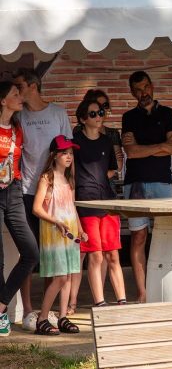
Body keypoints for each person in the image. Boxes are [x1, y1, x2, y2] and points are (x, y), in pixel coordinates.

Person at [12, 68, 70, 330]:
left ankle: (48, 310)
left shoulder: (58, 113)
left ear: (33, 86)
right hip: (26, 190)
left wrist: (68, 188)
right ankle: (27, 310)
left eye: (20, 86)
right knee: (30, 252)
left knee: (51, 253)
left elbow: (68, 151)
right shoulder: (19, 116)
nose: (17, 91)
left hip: (54, 192)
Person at [122, 71, 172, 303]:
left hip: (162, 181)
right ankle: (143, 292)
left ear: (152, 86)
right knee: (138, 237)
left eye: (145, 87)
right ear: (131, 92)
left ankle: (166, 286)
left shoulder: (167, 113)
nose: (142, 93)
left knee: (166, 234)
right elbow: (131, 153)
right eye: (137, 90)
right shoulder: (128, 117)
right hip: (135, 183)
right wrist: (160, 146)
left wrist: (146, 148)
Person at [72, 99, 126, 309]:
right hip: (86, 203)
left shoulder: (106, 142)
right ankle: (100, 302)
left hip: (107, 201)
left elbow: (112, 169)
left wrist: (99, 180)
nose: (98, 116)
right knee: (94, 254)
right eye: (93, 114)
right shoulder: (75, 142)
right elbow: (70, 174)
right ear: (83, 119)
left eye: (101, 112)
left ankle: (122, 300)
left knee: (113, 253)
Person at [30, 135, 84, 335]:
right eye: (64, 153)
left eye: (71, 153)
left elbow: (72, 207)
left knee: (69, 275)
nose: (69, 157)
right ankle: (42, 319)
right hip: (54, 233)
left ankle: (63, 317)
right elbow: (37, 208)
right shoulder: (47, 177)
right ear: (54, 155)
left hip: (69, 234)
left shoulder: (69, 179)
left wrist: (80, 228)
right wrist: (56, 221)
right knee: (60, 277)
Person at [0, 81, 39, 337]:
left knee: (31, 253)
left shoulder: (17, 129)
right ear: (3, 100)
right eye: (15, 94)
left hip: (13, 191)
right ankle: (2, 316)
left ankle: (0, 305)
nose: (19, 97)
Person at [74, 89, 124, 175]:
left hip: (108, 183)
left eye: (105, 105)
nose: (102, 109)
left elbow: (118, 166)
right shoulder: (78, 131)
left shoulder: (113, 133)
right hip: (85, 183)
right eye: (98, 106)